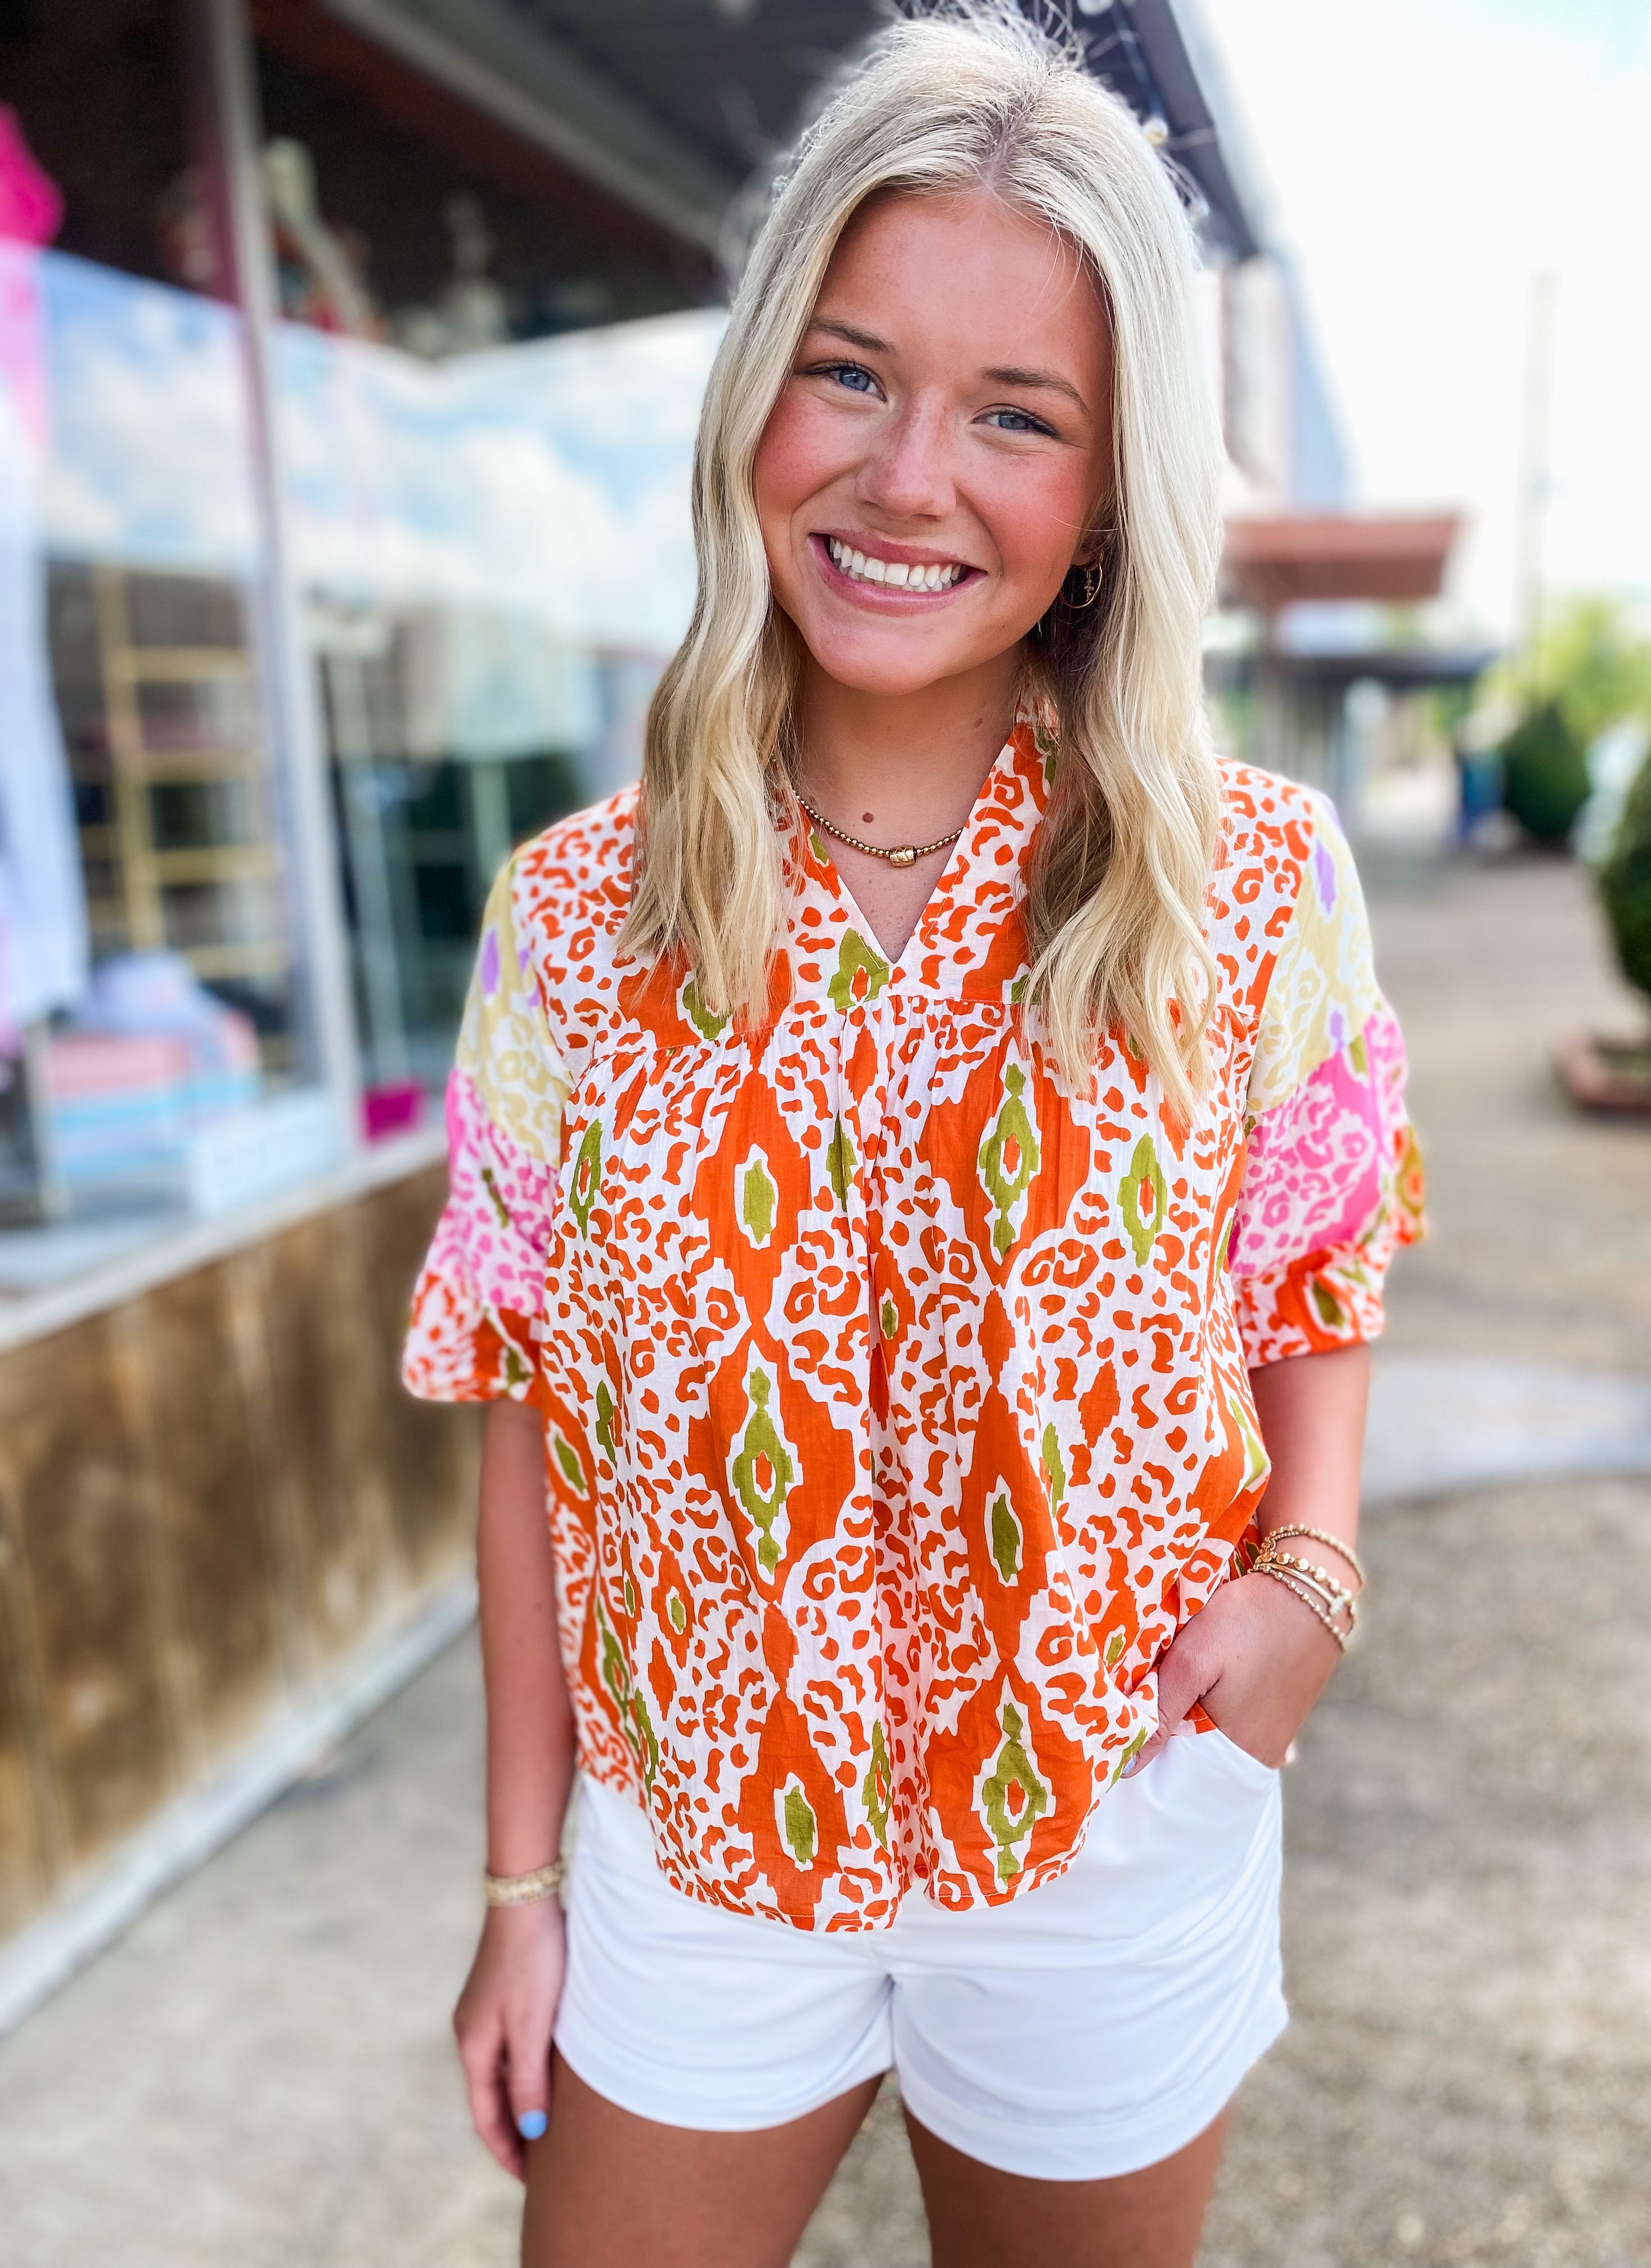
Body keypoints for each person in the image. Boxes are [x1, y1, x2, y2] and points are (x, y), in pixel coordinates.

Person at [403, 13, 1423, 2265]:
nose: (906, 478)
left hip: (1106, 1814)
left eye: (1018, 414)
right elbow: (522, 1405)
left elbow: (1313, 1265)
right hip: (695, 1844)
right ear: (758, 389)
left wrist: (1310, 1583)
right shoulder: (576, 917)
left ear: (1103, 490)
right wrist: (517, 1884)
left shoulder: (1247, 883)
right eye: (851, 373)